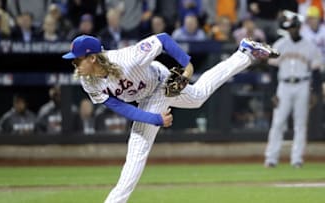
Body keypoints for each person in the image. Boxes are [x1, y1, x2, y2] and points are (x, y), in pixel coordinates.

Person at [62, 32, 278, 202]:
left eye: (77, 60)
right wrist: (154, 119)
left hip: (160, 83)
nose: (74, 65)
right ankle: (244, 54)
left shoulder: (127, 58)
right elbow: (119, 106)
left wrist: (187, 64)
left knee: (137, 149)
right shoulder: (88, 80)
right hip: (145, 96)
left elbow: (162, 39)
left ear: (92, 57)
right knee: (198, 97)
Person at [264, 15, 323, 169]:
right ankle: (271, 158)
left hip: (303, 85)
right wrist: (272, 92)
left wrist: (314, 92)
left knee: (300, 124)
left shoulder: (310, 46)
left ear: (299, 27)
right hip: (283, 85)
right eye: (289, 28)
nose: (292, 30)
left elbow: (316, 72)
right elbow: (272, 70)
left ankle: (297, 159)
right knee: (278, 123)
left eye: (294, 27)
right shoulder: (280, 45)